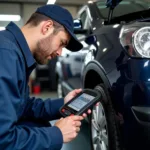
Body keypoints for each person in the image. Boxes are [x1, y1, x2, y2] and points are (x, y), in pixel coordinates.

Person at [0, 4, 91, 150]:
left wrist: (64, 103)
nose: (60, 53)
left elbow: (22, 106)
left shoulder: (14, 51)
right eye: (62, 43)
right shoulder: (6, 55)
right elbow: (3, 140)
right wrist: (57, 134)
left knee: (39, 125)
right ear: (47, 27)